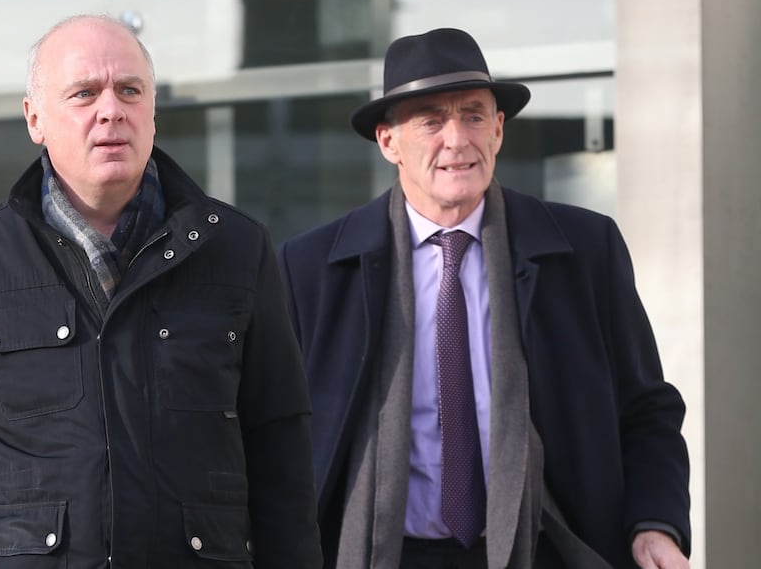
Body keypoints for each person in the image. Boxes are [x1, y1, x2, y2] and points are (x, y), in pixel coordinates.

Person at [0, 14, 322, 569]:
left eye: (130, 91)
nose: (111, 110)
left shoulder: (235, 250)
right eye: (84, 93)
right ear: (35, 118)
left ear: (152, 110)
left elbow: (282, 452)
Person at [278, 28, 690, 569]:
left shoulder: (584, 251)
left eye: (473, 115)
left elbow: (647, 410)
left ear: (498, 130)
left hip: (546, 550)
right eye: (430, 119)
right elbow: (273, 435)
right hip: (383, 555)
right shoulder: (312, 269)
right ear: (388, 142)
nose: (456, 140)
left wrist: (655, 525)